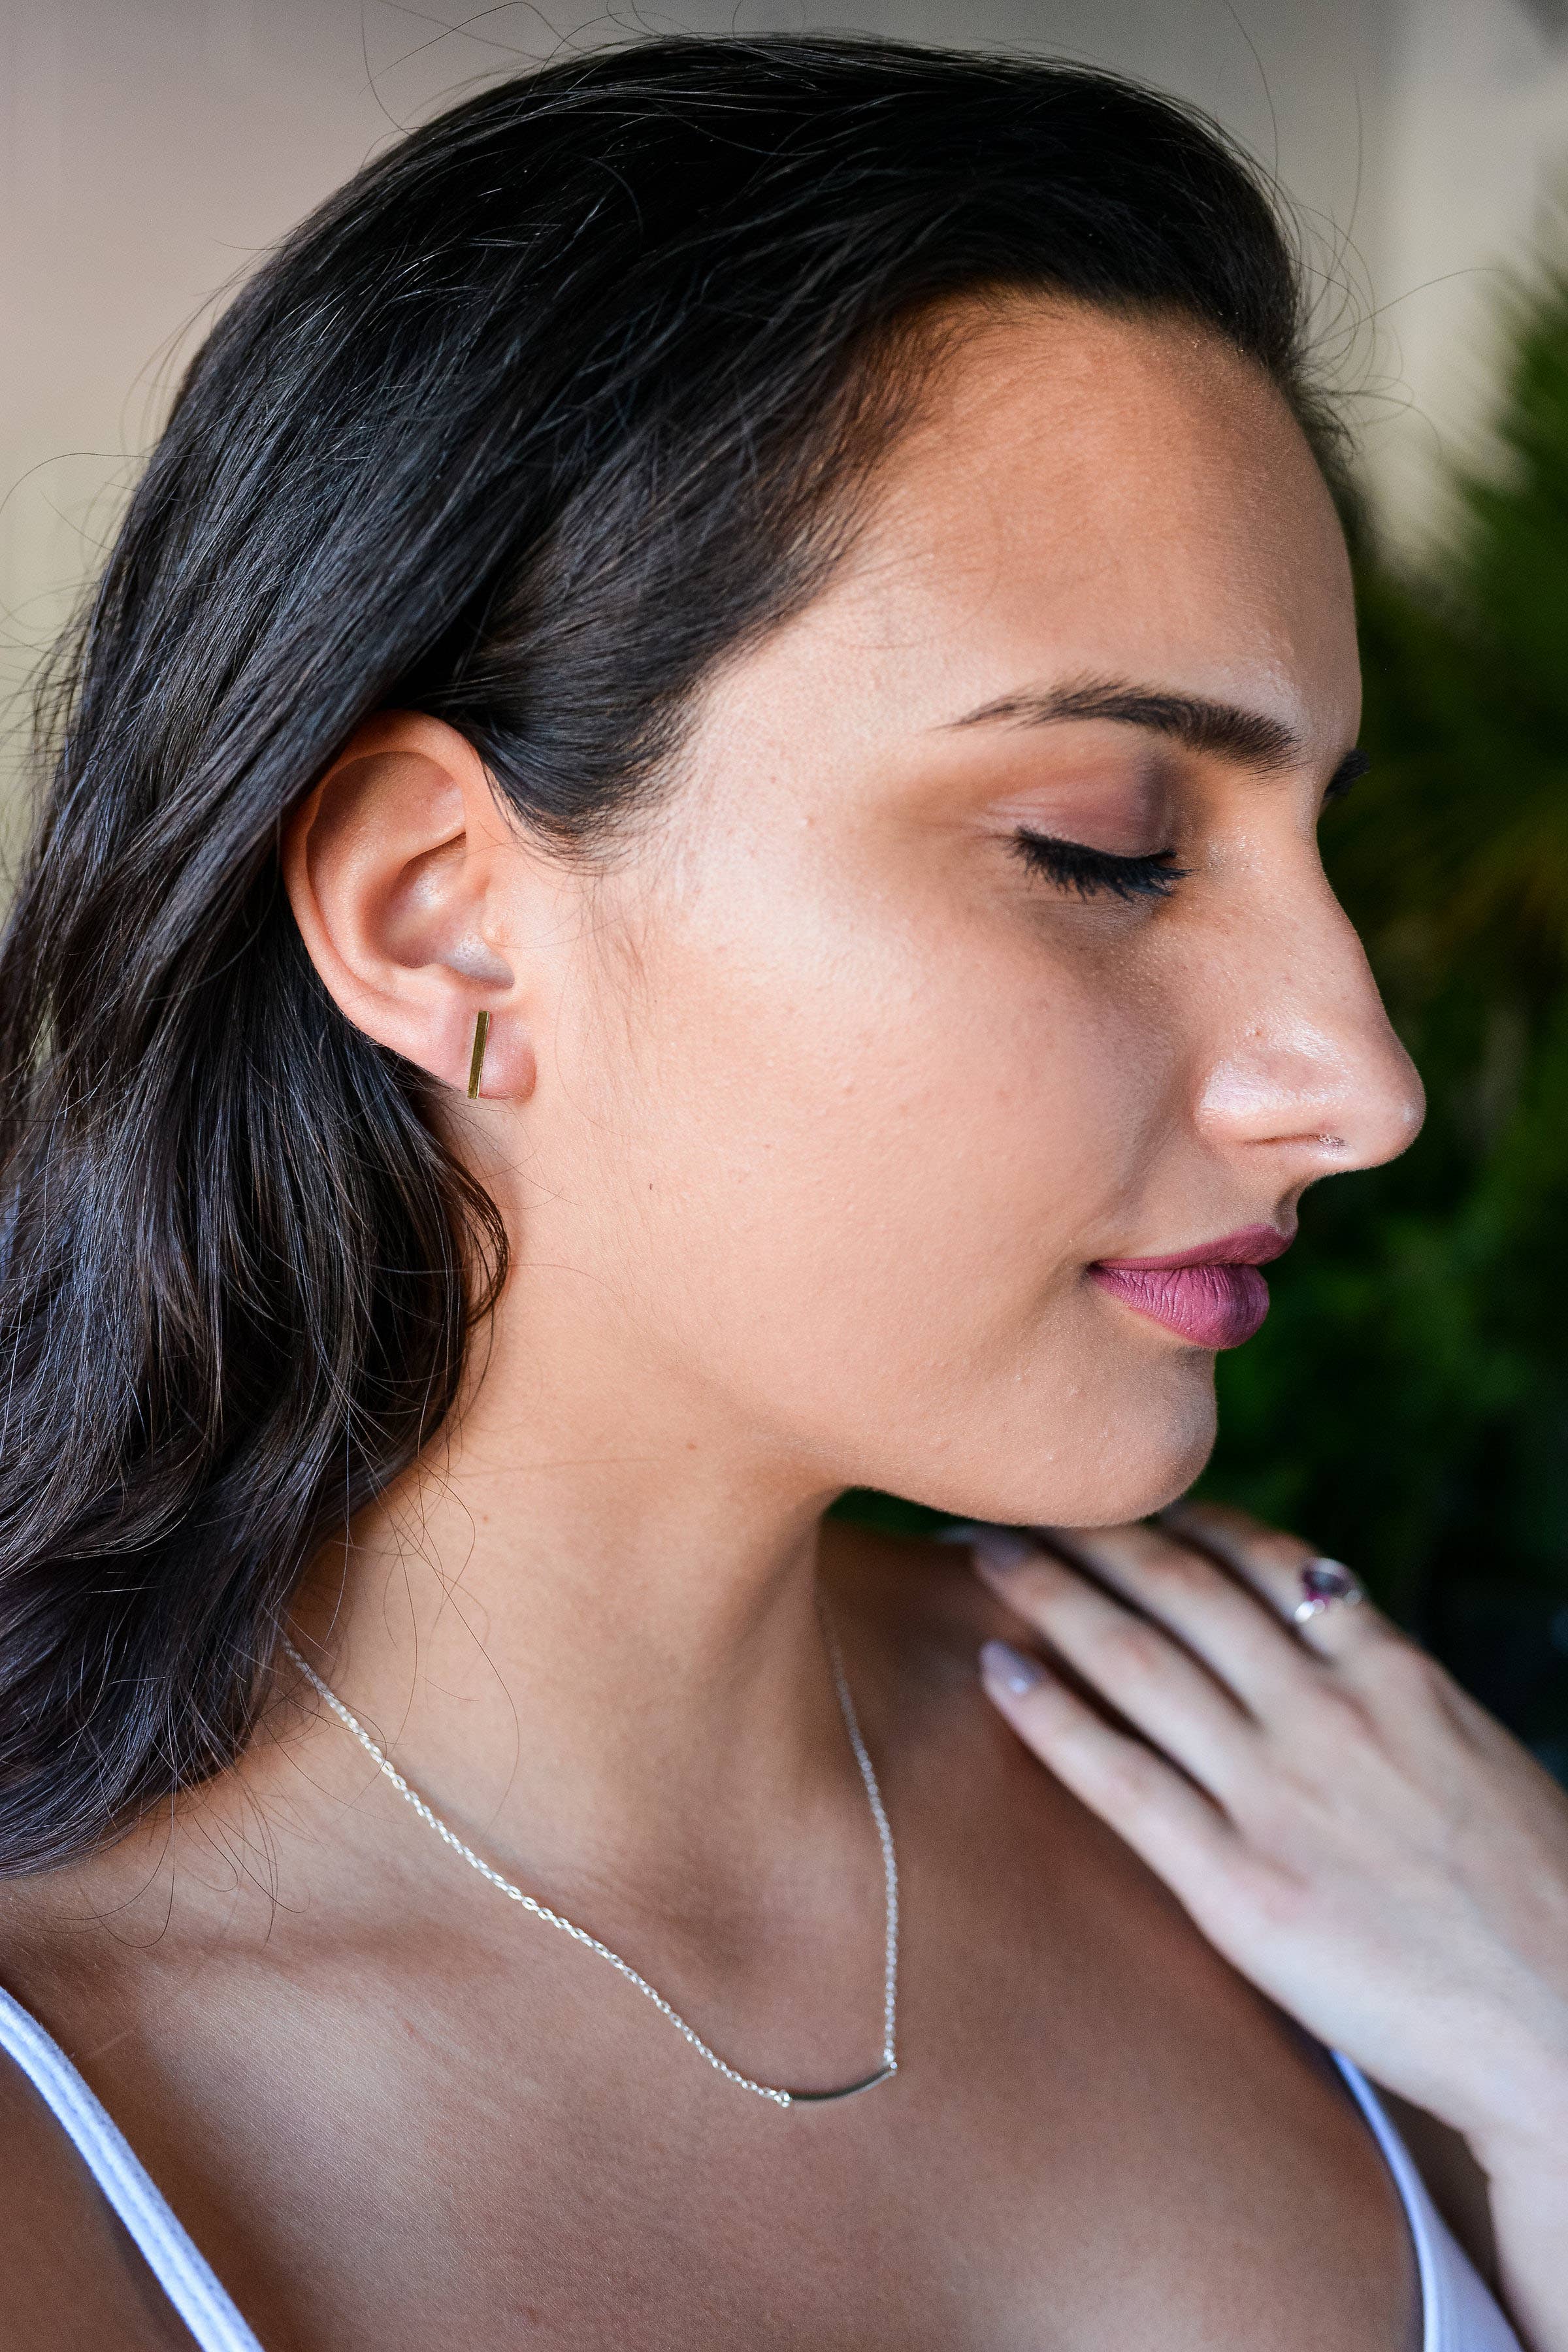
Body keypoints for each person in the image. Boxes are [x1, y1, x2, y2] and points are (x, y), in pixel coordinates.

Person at [0, 33, 1561, 2350]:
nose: (1362, 1083)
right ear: (444, 915)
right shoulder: (75, 2112)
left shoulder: (1351, 1845)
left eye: (1312, 840)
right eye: (1106, 849)